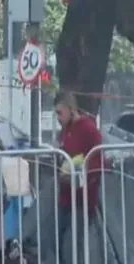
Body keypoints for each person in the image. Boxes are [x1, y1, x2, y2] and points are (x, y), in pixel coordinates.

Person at [54, 91, 102, 223]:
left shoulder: (89, 129)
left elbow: (97, 163)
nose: (58, 118)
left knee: (75, 241)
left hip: (83, 201)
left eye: (60, 113)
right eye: (56, 114)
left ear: (72, 109)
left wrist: (77, 177)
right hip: (65, 199)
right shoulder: (63, 131)